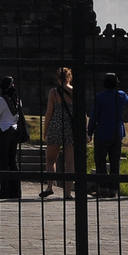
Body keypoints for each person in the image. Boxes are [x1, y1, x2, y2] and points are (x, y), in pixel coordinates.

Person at [87, 73, 128, 198]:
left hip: (103, 132)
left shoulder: (100, 97)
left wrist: (89, 132)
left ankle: (103, 188)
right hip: (117, 132)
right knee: (115, 162)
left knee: (100, 161)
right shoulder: (121, 95)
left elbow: (94, 116)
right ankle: (114, 189)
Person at [40, 67, 75, 200]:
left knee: (50, 159)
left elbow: (49, 113)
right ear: (69, 77)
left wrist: (45, 129)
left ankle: (50, 186)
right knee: (70, 161)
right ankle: (68, 192)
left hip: (55, 126)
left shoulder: (54, 92)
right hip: (70, 128)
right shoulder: (74, 91)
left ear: (58, 78)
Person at [0, 77, 25, 200]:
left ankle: (4, 190)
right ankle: (15, 191)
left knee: (3, 162)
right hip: (14, 130)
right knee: (13, 161)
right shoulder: (17, 99)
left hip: (4, 130)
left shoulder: (2, 99)